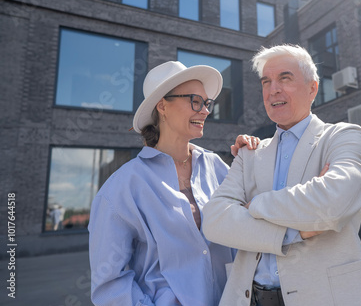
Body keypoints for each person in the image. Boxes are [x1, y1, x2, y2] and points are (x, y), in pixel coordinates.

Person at [203, 45, 361, 306]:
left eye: (284, 78)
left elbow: (333, 203)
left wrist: (254, 205)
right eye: (266, 82)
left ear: (313, 88)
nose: (273, 89)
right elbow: (214, 221)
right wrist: (295, 232)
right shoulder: (249, 153)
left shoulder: (343, 136)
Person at [88, 61, 259, 306]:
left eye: (206, 103)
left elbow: (255, 216)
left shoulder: (218, 167)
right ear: (163, 106)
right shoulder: (122, 187)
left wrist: (254, 160)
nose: (206, 111)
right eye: (195, 101)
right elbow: (109, 284)